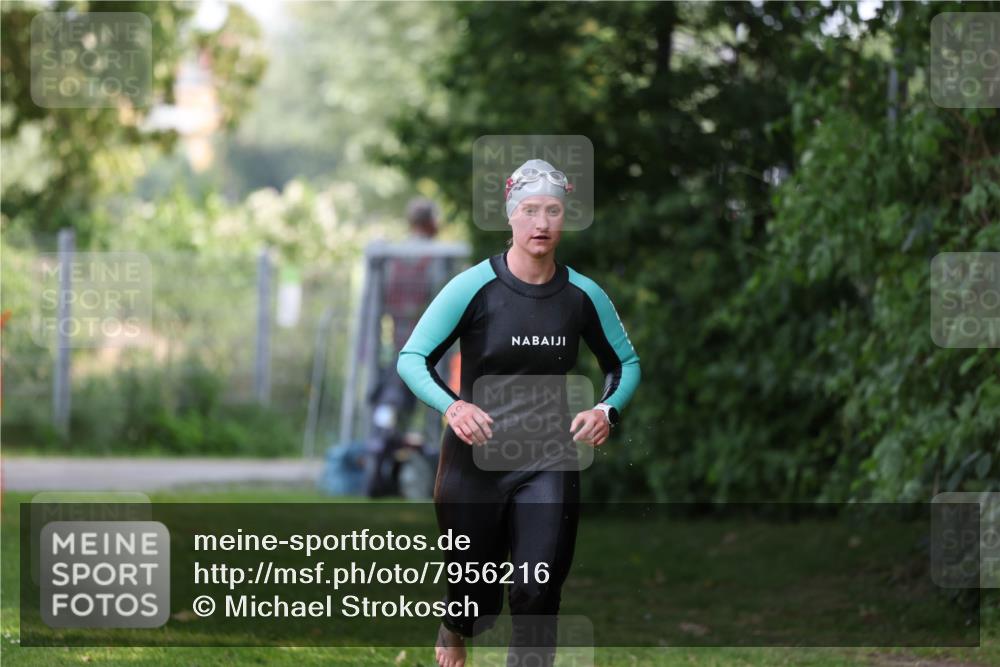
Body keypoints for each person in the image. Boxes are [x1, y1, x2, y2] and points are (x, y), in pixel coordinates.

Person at [397, 159, 641, 667]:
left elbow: (626, 364)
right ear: (511, 216)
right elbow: (412, 359)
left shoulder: (582, 296)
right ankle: (455, 626)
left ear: (564, 216)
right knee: (474, 599)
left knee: (537, 592)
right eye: (530, 210)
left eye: (552, 210)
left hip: (550, 460)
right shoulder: (473, 287)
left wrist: (606, 411)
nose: (542, 222)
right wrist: (453, 405)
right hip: (473, 464)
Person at [365, 198, 442, 497]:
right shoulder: (433, 257)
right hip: (425, 348)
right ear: (430, 222)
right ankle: (391, 468)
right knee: (411, 406)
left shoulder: (395, 256)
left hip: (395, 342)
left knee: (390, 405)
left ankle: (383, 459)